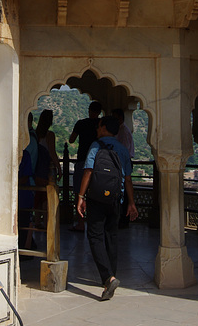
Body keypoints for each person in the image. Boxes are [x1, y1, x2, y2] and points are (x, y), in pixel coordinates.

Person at [77, 116, 138, 300]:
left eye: (99, 126)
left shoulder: (96, 146)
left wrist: (80, 197)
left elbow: (88, 171)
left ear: (103, 128)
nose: (97, 129)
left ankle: (108, 277)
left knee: (95, 236)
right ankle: (111, 274)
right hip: (115, 199)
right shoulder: (122, 150)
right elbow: (127, 179)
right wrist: (131, 203)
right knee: (111, 236)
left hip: (96, 198)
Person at [69, 100, 102, 231]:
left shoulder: (81, 124)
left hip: (82, 160)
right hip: (98, 162)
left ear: (89, 110)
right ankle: (95, 224)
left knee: (79, 192)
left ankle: (81, 223)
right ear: (99, 112)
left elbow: (71, 139)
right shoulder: (101, 125)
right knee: (96, 193)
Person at [112, 108, 134, 228]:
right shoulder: (120, 131)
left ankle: (123, 219)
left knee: (124, 190)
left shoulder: (123, 132)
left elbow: (124, 151)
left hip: (123, 163)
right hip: (121, 162)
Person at [36, 108, 62, 181]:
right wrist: (59, 168)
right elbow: (52, 153)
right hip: (45, 167)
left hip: (35, 167)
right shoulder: (50, 135)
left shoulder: (35, 134)